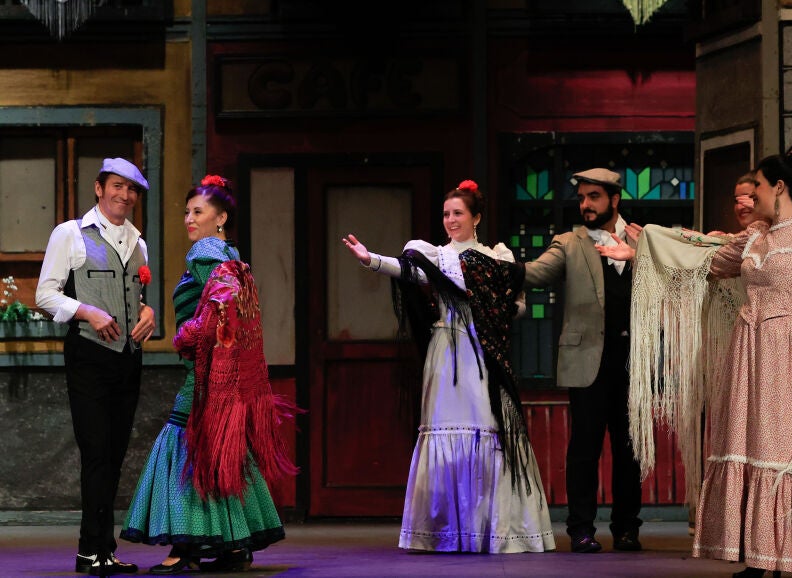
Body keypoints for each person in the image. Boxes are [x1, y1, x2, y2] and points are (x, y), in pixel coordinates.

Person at [600, 145, 792, 576]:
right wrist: (646, 250)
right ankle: (760, 557)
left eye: (757, 184)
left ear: (779, 187)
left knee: (784, 446)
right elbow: (708, 259)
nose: (751, 193)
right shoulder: (755, 236)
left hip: (789, 354)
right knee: (751, 444)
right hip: (748, 351)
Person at [343, 179, 555, 554]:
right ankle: (448, 530)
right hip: (448, 352)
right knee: (445, 429)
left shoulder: (498, 257)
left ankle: (491, 528)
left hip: (484, 352)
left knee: (489, 429)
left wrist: (497, 309)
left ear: (476, 217)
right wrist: (370, 259)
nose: (451, 220)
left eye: (458, 213)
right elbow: (408, 271)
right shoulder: (438, 257)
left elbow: (518, 304)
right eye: (446, 214)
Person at [120, 175, 298, 574]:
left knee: (185, 443)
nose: (189, 219)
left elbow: (225, 303)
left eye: (198, 212)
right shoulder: (230, 254)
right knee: (218, 448)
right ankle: (234, 548)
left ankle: (184, 546)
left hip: (204, 376)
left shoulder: (205, 253)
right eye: (187, 212)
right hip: (223, 375)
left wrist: (188, 333)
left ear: (221, 218)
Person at [36, 157, 156, 576]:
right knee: (97, 453)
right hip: (89, 355)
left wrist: (147, 311)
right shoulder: (70, 233)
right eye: (118, 186)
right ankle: (90, 550)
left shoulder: (138, 243)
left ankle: (105, 548)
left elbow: (131, 296)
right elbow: (46, 295)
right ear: (99, 188)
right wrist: (87, 311)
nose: (125, 195)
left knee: (116, 455)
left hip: (128, 358)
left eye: (132, 189)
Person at [521, 168, 644, 554]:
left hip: (632, 361)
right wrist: (493, 265)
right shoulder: (569, 242)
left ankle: (627, 529)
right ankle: (581, 529)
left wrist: (642, 255)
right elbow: (534, 273)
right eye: (581, 198)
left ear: (614, 199)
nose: (585, 205)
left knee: (630, 450)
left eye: (594, 197)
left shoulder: (643, 239)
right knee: (584, 449)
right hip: (588, 360)